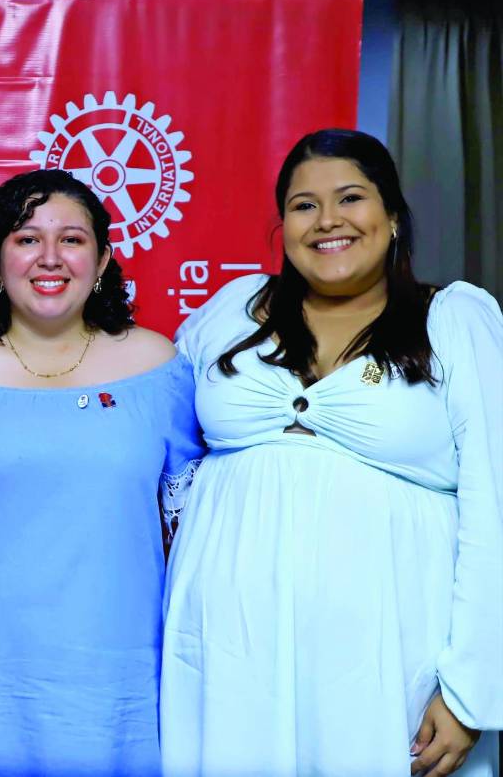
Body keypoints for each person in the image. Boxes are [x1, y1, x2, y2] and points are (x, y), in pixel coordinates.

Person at [160, 129, 503, 776]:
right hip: (231, 656)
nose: (328, 221)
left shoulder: (455, 320)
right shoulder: (229, 312)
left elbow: (498, 506)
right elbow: (153, 453)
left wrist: (471, 689)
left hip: (394, 654)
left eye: (351, 198)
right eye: (303, 205)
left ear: (393, 215)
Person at [0, 168, 203, 775]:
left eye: (71, 239)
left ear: (101, 260)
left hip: (114, 661)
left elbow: (194, 525)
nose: (50, 257)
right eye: (26, 239)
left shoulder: (159, 367)